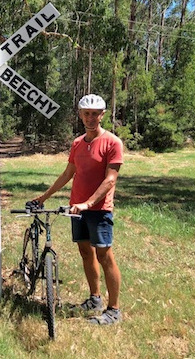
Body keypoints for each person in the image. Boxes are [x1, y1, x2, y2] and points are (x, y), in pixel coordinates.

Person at [32, 94, 123, 325]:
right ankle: (95, 299)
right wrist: (44, 197)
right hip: (77, 209)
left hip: (99, 209)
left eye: (95, 114)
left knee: (104, 255)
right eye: (86, 114)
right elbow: (68, 173)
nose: (91, 118)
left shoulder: (112, 142)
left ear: (102, 115)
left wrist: (89, 203)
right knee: (85, 252)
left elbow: (110, 179)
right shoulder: (77, 143)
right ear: (80, 115)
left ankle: (114, 310)